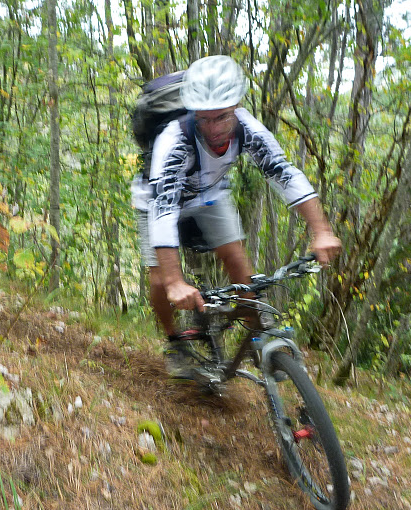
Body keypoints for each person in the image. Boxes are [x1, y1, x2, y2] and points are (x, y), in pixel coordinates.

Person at [133, 55, 341, 377]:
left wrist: (321, 231)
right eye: (205, 119)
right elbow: (164, 209)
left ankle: (259, 335)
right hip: (157, 199)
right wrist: (175, 280)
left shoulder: (247, 128)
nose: (214, 128)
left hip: (211, 195)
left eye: (223, 117)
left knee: (236, 259)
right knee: (160, 279)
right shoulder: (174, 141)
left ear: (237, 107)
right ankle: (175, 341)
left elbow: (284, 173)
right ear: (193, 114)